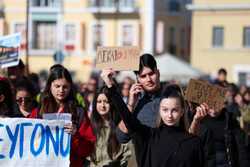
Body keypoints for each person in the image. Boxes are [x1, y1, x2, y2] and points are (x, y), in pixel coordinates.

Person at [101, 69, 205, 167]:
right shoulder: (149, 136)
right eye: (165, 110)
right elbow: (127, 117)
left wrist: (196, 120)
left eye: (174, 110)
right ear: (160, 110)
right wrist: (110, 85)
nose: (169, 115)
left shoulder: (193, 142)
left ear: (182, 111)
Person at [30, 66, 96, 167]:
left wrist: (75, 135)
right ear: (50, 86)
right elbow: (26, 139)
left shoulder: (79, 112)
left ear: (70, 87)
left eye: (65, 87)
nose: (61, 90)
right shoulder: (38, 112)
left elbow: (88, 149)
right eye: (57, 86)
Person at [88, 86, 131, 167]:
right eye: (99, 102)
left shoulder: (120, 126)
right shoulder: (90, 126)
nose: (102, 105)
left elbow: (126, 155)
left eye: (106, 102)